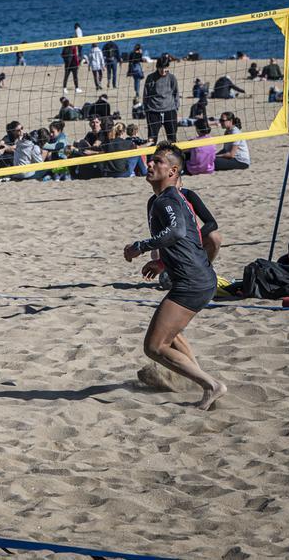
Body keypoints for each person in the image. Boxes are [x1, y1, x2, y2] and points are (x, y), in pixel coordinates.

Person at [122, 143, 227, 410]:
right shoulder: (161, 200)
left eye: (157, 161)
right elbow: (185, 240)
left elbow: (179, 231)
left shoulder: (170, 198)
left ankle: (211, 385)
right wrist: (163, 264)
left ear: (173, 170)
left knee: (154, 346)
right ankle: (196, 380)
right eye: (150, 160)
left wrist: (140, 246)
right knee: (171, 334)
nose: (150, 164)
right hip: (193, 277)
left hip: (193, 281)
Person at [143, 57, 179, 143]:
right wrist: (146, 109)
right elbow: (145, 95)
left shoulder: (172, 78)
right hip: (153, 111)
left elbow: (176, 93)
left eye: (165, 68)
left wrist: (176, 108)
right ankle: (150, 156)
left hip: (169, 110)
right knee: (152, 139)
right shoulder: (150, 78)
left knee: (172, 138)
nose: (163, 70)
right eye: (161, 68)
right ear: (157, 67)